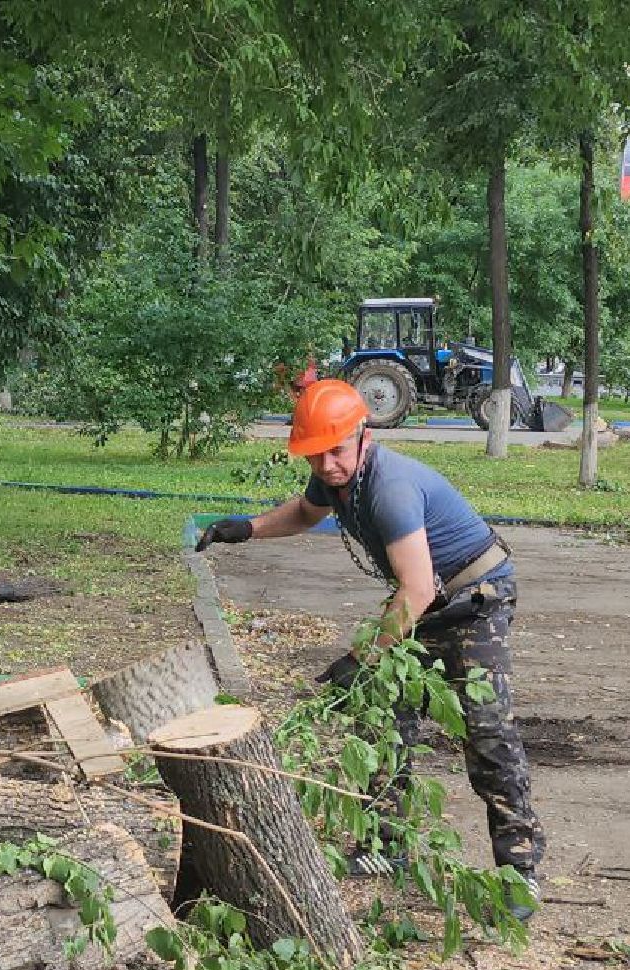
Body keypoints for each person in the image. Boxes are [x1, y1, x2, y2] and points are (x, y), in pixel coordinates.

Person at [194, 379, 545, 916]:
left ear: (363, 433)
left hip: (475, 599)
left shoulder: (390, 488)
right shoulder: (337, 477)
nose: (327, 465)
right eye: (314, 455)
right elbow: (307, 513)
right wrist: (245, 529)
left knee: (486, 729)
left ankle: (520, 870)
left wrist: (365, 657)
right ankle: (387, 845)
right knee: (383, 720)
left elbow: (417, 588)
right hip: (425, 598)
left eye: (335, 451)